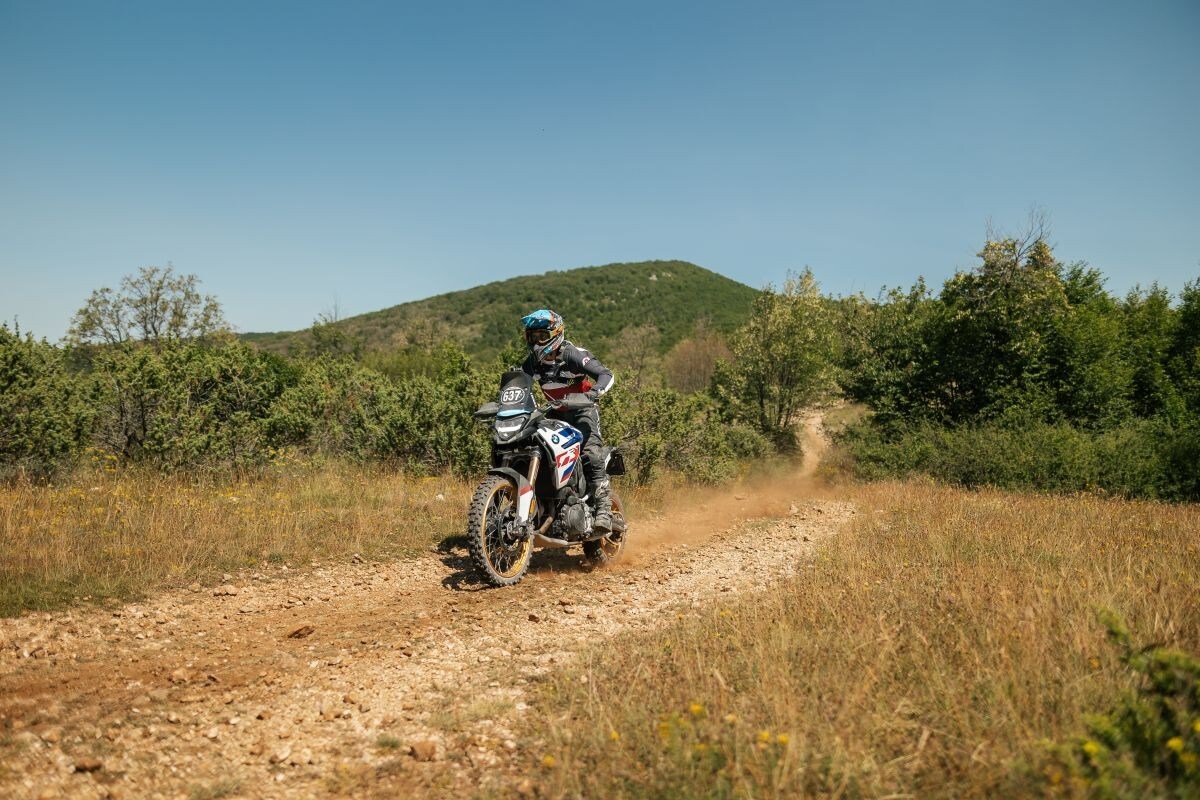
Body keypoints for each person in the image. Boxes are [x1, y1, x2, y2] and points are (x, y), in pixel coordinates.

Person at [519, 309, 616, 533]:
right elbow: (520, 382)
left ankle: (603, 510)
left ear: (556, 333)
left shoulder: (573, 355)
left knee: (591, 454)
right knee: (536, 450)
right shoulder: (533, 363)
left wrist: (593, 393)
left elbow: (606, 374)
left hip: (582, 411)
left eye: (541, 336)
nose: (536, 342)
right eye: (531, 337)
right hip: (553, 414)